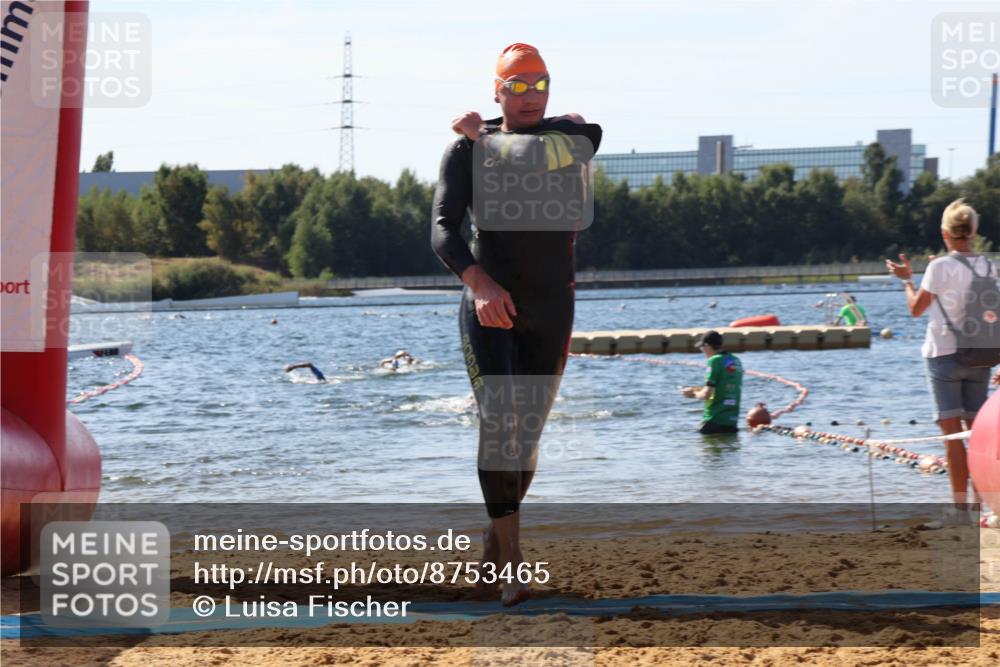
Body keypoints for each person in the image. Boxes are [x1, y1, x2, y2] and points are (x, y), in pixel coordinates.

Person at [431, 43, 601, 606]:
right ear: (497, 91)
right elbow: (443, 229)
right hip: (491, 307)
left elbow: (529, 157)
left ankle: (492, 547)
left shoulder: (574, 135)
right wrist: (479, 283)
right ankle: (514, 565)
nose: (530, 95)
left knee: (524, 441)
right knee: (499, 426)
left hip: (551, 309)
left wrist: (484, 138)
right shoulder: (463, 152)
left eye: (539, 83)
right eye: (518, 85)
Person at [885, 199, 997, 507]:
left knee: (952, 437)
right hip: (980, 354)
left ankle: (961, 509)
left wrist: (908, 280)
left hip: (943, 356)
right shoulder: (987, 264)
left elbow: (916, 309)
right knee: (976, 434)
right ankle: (981, 504)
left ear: (944, 233)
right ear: (973, 231)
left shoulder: (938, 267)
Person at [681, 331, 743, 434]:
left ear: (707, 345)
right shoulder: (736, 360)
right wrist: (697, 389)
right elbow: (723, 387)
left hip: (713, 420)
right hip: (731, 422)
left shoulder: (714, 361)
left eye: (702, 348)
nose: (702, 351)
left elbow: (707, 394)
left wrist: (693, 393)